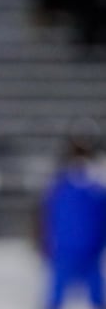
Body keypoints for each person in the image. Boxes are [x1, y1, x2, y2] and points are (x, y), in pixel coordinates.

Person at [33, 117, 106, 309]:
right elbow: (46, 211)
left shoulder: (98, 176)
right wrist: (42, 239)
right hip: (65, 247)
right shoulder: (60, 176)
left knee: (96, 297)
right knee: (56, 297)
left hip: (89, 248)